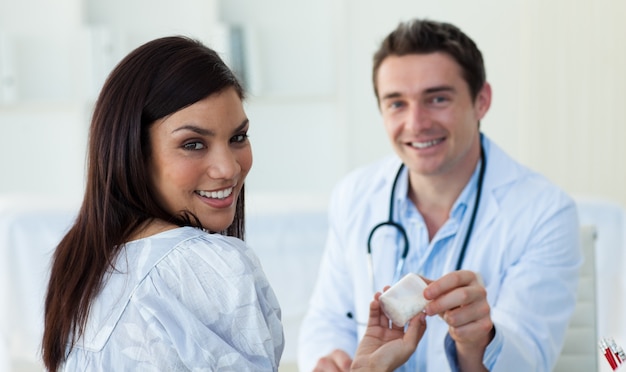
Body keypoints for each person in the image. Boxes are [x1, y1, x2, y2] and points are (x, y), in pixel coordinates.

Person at [41, 36, 427, 372]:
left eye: (238, 137)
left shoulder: (81, 261)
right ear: (133, 152)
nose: (228, 168)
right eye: (193, 144)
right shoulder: (208, 266)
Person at [298, 19, 582, 372]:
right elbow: (329, 317)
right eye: (397, 103)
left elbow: (529, 360)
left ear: (482, 101)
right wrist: (331, 359)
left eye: (437, 99)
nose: (416, 123)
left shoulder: (545, 213)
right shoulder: (354, 195)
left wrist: (480, 339)